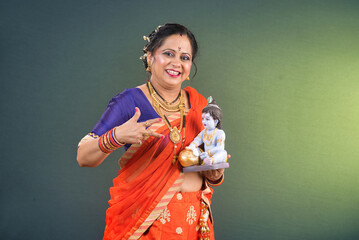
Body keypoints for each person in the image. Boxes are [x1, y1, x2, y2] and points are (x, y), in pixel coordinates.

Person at [77, 23, 224, 240]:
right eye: (168, 53)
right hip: (146, 223)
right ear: (149, 57)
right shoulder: (129, 102)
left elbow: (211, 160)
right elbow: (83, 156)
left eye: (184, 57)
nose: (177, 63)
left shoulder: (198, 104)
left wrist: (216, 173)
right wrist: (116, 136)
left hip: (194, 219)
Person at [186, 98, 228, 166]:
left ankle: (211, 160)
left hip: (215, 156)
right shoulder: (204, 132)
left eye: (207, 119)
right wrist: (192, 146)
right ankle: (204, 161)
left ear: (215, 121)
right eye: (203, 119)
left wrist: (208, 153)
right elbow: (197, 140)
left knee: (223, 153)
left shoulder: (220, 133)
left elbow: (220, 148)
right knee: (195, 150)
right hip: (205, 155)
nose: (204, 121)